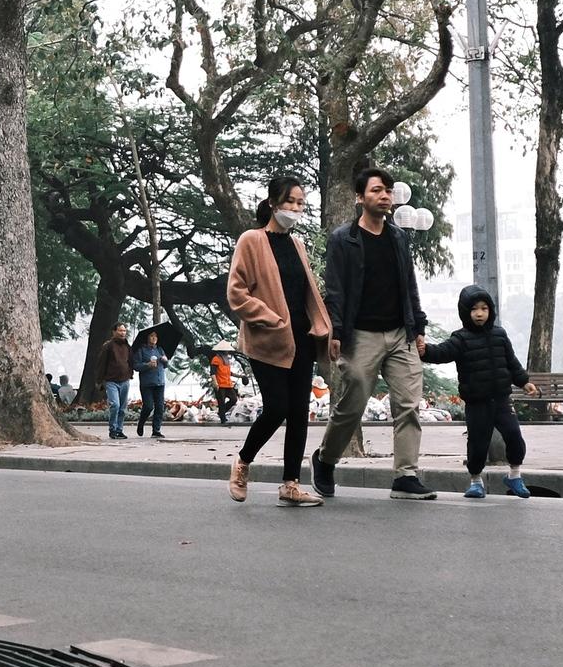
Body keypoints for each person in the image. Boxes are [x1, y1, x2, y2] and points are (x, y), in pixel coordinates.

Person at [310, 165, 433, 500]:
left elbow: (410, 285)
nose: (385, 196)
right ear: (360, 197)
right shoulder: (343, 239)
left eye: (388, 191)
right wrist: (335, 333)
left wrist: (418, 328)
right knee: (352, 404)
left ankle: (405, 476)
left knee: (408, 404)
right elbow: (335, 290)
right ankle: (326, 459)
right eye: (377, 190)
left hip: (400, 334)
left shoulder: (397, 237)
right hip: (360, 334)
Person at [226, 174, 332, 506]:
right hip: (267, 340)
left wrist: (324, 329)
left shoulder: (297, 244)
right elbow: (237, 292)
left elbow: (307, 294)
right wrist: (271, 318)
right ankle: (243, 461)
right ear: (273, 202)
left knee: (300, 411)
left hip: (301, 339)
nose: (295, 208)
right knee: (277, 407)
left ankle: (290, 484)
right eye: (290, 202)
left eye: (300, 203)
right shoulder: (252, 240)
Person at [424, 286, 539, 499]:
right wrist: (425, 350)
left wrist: (524, 382)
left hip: (502, 400)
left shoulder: (500, 334)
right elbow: (442, 352)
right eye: (474, 309)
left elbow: (511, 362)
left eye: (484, 308)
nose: (479, 313)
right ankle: (476, 481)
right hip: (477, 403)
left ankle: (514, 476)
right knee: (478, 443)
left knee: (514, 436)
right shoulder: (460, 338)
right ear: (465, 312)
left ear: (490, 311)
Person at [97, 324, 133, 440]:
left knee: (122, 408)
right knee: (115, 405)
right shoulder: (108, 346)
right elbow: (101, 363)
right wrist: (99, 380)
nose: (123, 333)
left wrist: (130, 373)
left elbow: (131, 361)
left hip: (125, 380)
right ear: (114, 332)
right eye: (120, 330)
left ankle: (119, 430)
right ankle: (112, 429)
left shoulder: (127, 346)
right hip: (111, 381)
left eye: (124, 331)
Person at [132, 331, 170, 439]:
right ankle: (141, 423)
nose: (154, 338)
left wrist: (165, 361)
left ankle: (156, 430)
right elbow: (136, 366)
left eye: (156, 336)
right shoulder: (141, 350)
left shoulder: (160, 349)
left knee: (160, 407)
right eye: (152, 336)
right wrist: (148, 365)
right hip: (147, 383)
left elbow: (166, 365)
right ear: (147, 338)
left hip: (160, 382)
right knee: (148, 406)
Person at [209, 352, 238, 422]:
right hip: (220, 385)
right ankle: (223, 419)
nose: (228, 352)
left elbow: (229, 373)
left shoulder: (226, 360)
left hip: (228, 384)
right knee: (221, 402)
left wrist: (240, 376)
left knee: (234, 399)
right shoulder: (215, 359)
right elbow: (212, 372)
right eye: (226, 351)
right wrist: (215, 383)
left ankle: (221, 413)